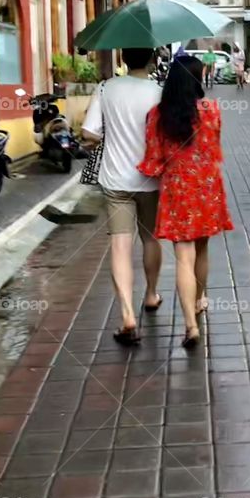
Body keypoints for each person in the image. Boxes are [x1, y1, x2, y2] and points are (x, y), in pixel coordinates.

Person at [139, 56, 233, 349]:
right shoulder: (212, 110)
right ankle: (199, 301)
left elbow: (153, 159)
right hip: (206, 186)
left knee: (183, 257)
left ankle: (190, 327)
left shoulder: (157, 115)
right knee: (202, 249)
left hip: (177, 187)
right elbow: (215, 148)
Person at [82, 47, 163, 346]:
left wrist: (110, 139)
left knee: (120, 244)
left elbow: (89, 133)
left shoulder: (106, 88)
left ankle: (127, 314)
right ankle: (152, 294)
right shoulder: (159, 92)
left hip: (116, 179)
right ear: (152, 58)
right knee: (151, 239)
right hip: (151, 178)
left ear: (123, 60)